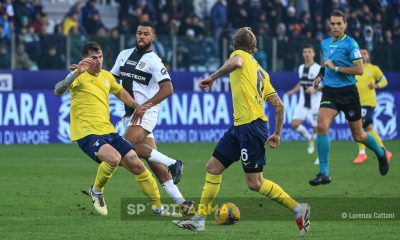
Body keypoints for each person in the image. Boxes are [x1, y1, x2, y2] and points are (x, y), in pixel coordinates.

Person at [173, 27, 311, 236]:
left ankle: (298, 209)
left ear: (234, 46)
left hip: (251, 127)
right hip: (241, 127)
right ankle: (199, 220)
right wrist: (277, 133)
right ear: (254, 47)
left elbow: (236, 63)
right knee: (212, 167)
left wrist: (213, 77)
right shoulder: (261, 73)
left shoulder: (239, 56)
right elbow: (279, 105)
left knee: (255, 183)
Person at [54, 42, 162, 216]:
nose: (98, 61)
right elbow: (58, 91)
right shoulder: (77, 76)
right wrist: (74, 74)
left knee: (138, 166)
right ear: (84, 59)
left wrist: (136, 106)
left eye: (100, 57)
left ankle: (159, 208)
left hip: (109, 131)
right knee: (113, 158)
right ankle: (96, 191)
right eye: (93, 58)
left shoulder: (106, 76)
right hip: (87, 133)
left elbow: (120, 92)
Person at [110, 21, 193, 214]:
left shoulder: (154, 61)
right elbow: (112, 80)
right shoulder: (123, 55)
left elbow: (168, 88)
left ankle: (173, 163)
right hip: (129, 113)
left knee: (123, 151)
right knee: (155, 164)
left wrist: (145, 106)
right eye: (139, 33)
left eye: (146, 34)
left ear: (153, 37)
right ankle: (182, 202)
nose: (141, 37)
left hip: (145, 113)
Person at [309, 10, 389, 186]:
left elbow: (359, 70)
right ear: (329, 25)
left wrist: (336, 68)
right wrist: (320, 77)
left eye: (339, 24)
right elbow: (326, 66)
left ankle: (381, 153)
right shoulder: (325, 44)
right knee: (321, 126)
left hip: (348, 93)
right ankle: (324, 173)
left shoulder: (351, 44)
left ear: (345, 25)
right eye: (333, 24)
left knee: (359, 135)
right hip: (330, 92)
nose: (335, 27)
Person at [353, 48, 392, 164]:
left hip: (368, 102)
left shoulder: (374, 69)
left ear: (368, 55)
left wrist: (376, 85)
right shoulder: (355, 68)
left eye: (364, 53)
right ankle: (384, 151)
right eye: (360, 53)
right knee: (368, 128)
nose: (362, 55)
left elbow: (385, 81)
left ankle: (362, 153)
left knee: (358, 127)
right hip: (356, 102)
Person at [286, 44, 322, 164]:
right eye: (305, 52)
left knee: (317, 129)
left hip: (315, 103)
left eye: (309, 52)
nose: (307, 54)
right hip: (303, 102)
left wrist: (314, 89)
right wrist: (292, 91)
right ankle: (309, 138)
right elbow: (301, 83)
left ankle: (320, 156)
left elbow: (325, 84)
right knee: (294, 124)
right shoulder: (301, 67)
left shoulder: (318, 68)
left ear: (313, 54)